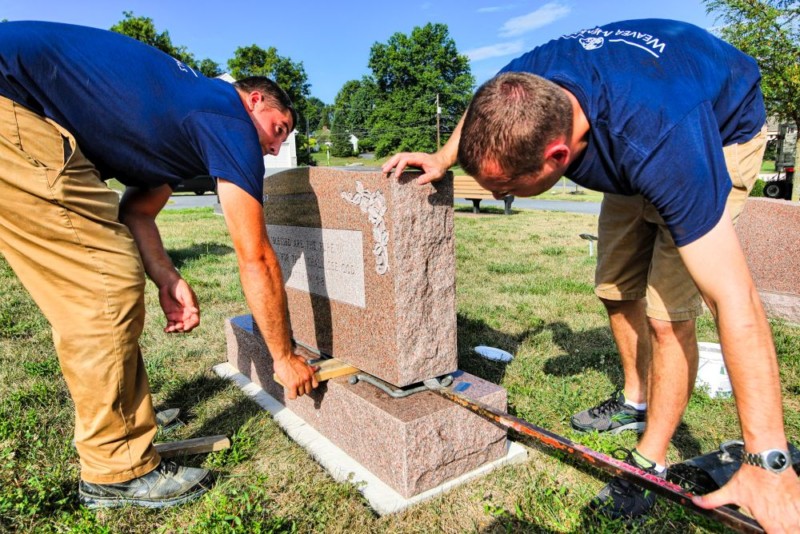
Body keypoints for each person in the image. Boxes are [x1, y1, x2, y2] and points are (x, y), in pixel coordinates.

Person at [383, 18, 800, 532]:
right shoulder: (530, 79)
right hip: (634, 121)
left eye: (508, 187)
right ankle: (635, 400)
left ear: (557, 156)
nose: (494, 196)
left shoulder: (663, 143)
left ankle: (651, 458)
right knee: (616, 286)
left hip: (717, 131)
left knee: (668, 316)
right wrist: (446, 156)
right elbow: (480, 105)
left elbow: (737, 301)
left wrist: (768, 463)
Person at [0, 21, 318, 509]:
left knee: (106, 278)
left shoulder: (184, 120)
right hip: (11, 103)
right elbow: (254, 254)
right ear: (253, 101)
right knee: (101, 288)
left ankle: (127, 422)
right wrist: (283, 357)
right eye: (278, 129)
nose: (275, 148)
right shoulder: (225, 115)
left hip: (17, 101)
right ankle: (116, 471)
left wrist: (166, 275)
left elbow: (137, 211)